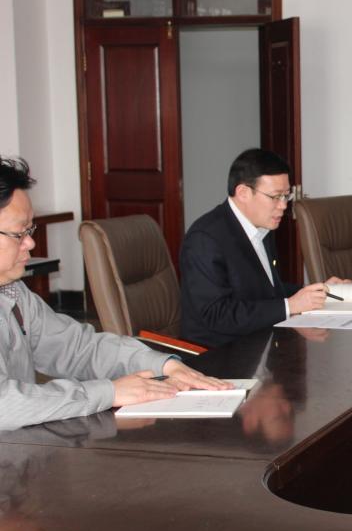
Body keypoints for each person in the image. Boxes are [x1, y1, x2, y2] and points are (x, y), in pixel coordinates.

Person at [0, 157, 228, 431]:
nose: (30, 242)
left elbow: (79, 348)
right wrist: (109, 392)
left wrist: (163, 365)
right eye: (19, 233)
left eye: (30, 229)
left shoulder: (14, 293)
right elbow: (5, 405)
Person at [180, 149, 344, 348]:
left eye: (286, 196)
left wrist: (317, 291)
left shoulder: (261, 226)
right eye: (275, 197)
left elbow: (269, 290)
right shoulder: (205, 239)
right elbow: (217, 314)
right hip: (218, 354)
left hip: (260, 343)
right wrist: (290, 305)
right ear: (243, 193)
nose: (283, 205)